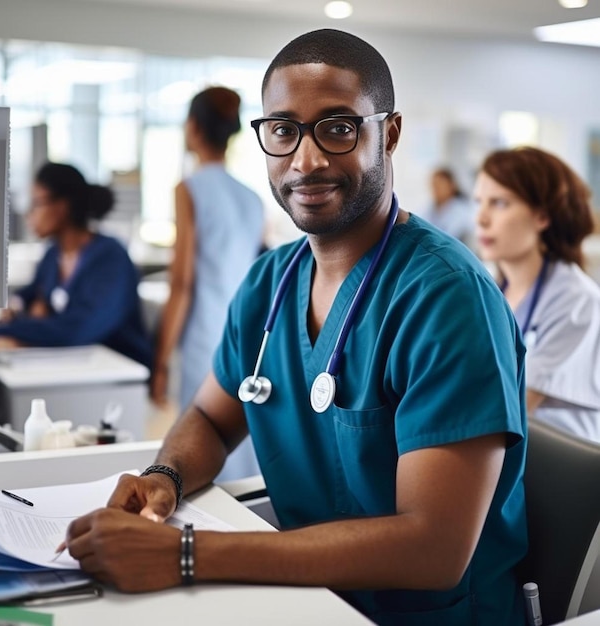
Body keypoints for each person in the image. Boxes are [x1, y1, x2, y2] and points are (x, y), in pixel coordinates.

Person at [65, 29, 527, 626]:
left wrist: (185, 555)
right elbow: (210, 415)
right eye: (283, 130)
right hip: (306, 600)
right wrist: (166, 476)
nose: (305, 160)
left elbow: (433, 550)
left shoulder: (445, 297)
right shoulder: (270, 282)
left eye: (337, 127)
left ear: (387, 133)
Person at [150, 86, 265, 480]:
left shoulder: (189, 189)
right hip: (244, 329)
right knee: (239, 434)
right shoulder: (252, 198)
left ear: (193, 127)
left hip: (202, 332)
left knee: (201, 435)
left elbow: (182, 282)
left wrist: (160, 360)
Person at [474, 146, 600, 442]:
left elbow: (516, 403)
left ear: (542, 216)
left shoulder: (577, 303)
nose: (481, 218)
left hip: (559, 469)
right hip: (502, 450)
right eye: (479, 202)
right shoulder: (488, 290)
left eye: (500, 203)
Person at [0, 162, 152, 369]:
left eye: (35, 203)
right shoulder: (54, 253)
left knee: (7, 344)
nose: (28, 214)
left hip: (117, 371)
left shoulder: (110, 258)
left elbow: (78, 329)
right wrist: (16, 307)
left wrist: (0, 329)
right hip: (72, 362)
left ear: (62, 207)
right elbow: (30, 294)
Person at [423, 167, 475, 246]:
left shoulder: (462, 211)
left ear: (451, 186)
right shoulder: (427, 209)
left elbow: (451, 236)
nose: (436, 189)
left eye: (440, 185)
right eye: (434, 185)